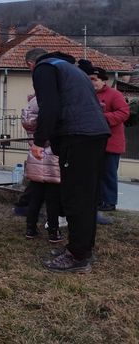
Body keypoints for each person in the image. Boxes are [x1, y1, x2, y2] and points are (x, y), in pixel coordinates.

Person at [26, 48, 110, 274]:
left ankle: (77, 256)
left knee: (75, 197)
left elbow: (49, 107)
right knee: (87, 196)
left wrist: (39, 141)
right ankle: (83, 248)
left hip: (77, 136)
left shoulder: (44, 68)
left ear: (31, 64)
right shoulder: (71, 69)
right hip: (95, 134)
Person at [86, 65, 130, 213]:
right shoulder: (87, 94)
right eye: (89, 79)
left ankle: (109, 202)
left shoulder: (115, 95)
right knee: (95, 173)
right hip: (93, 142)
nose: (92, 82)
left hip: (111, 142)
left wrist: (101, 117)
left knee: (108, 173)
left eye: (94, 79)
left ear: (103, 80)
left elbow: (124, 113)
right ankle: (98, 200)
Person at [21, 94, 63, 243]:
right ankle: (53, 231)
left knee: (35, 196)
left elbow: (30, 125)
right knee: (53, 198)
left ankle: (30, 229)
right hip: (53, 155)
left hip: (35, 154)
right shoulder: (52, 100)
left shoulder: (32, 103)